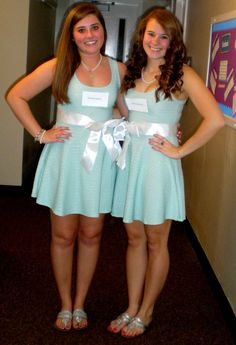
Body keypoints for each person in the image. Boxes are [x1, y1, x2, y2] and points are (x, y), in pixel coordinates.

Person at [6, 2, 126, 332]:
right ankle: (65, 304)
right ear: (71, 36)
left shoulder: (119, 70)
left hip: (100, 159)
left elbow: (133, 113)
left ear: (104, 30)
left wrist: (164, 127)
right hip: (65, 157)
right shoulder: (59, 66)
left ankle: (81, 304)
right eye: (81, 29)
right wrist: (40, 134)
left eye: (95, 27)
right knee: (63, 235)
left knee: (92, 234)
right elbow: (16, 95)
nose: (90, 35)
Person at [108, 6, 224, 338]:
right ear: (140, 36)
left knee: (157, 242)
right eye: (150, 34)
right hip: (131, 161)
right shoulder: (133, 72)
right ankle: (132, 306)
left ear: (174, 41)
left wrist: (178, 149)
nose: (156, 41)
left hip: (159, 164)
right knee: (134, 239)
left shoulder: (183, 74)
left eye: (164, 36)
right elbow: (126, 111)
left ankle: (147, 311)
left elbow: (215, 119)